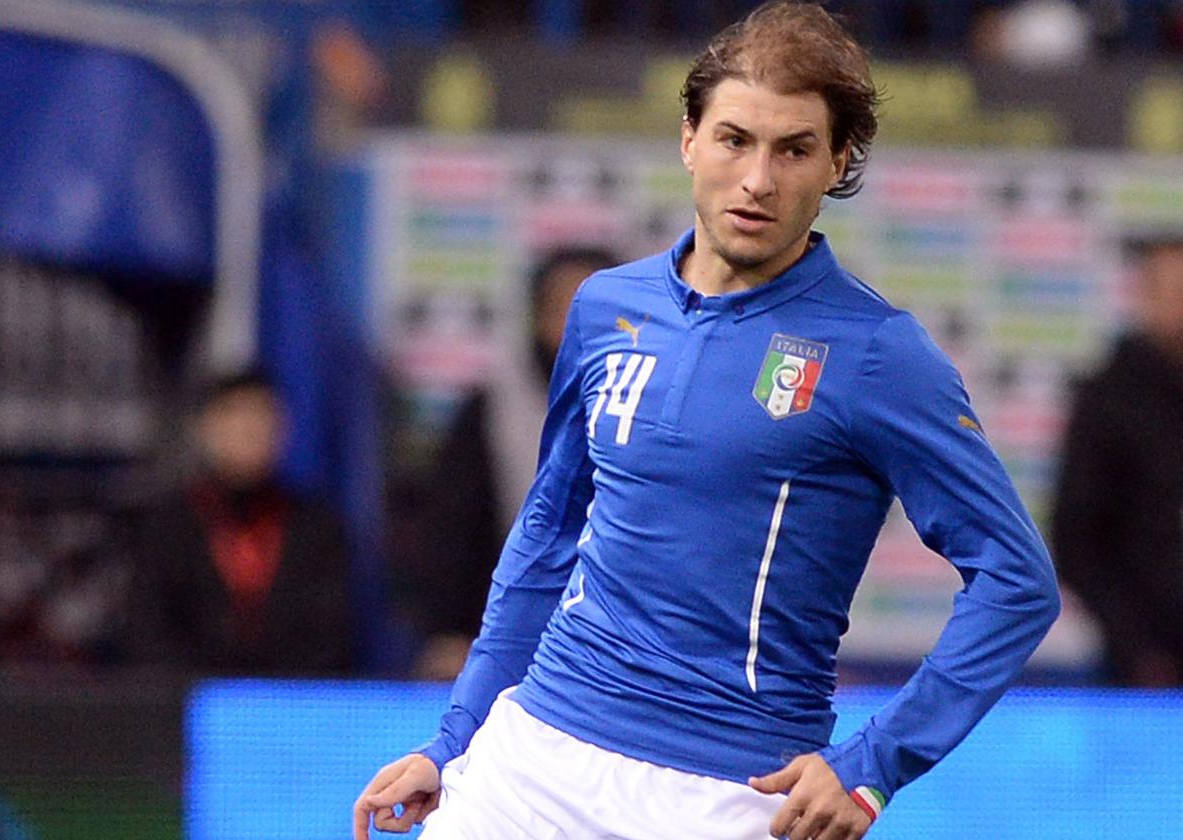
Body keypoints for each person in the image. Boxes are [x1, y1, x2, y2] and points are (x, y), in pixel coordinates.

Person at [354, 3, 1059, 838]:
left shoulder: (878, 354)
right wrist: (456, 737)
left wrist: (875, 763)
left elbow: (1017, 582)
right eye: (735, 139)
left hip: (727, 791)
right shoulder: (605, 307)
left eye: (794, 149)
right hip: (531, 756)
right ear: (689, 137)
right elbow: (549, 532)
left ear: (838, 162)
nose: (758, 179)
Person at [397, 246, 620, 681]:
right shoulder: (491, 408)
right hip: (509, 639)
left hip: (621, 642)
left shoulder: (654, 405)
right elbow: (452, 531)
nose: (580, 327)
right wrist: (448, 631)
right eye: (564, 309)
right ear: (538, 316)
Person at [130, 370, 354, 675]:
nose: (248, 430)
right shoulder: (170, 525)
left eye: (261, 417)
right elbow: (149, 630)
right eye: (233, 416)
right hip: (188, 703)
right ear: (205, 428)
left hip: (291, 706)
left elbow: (330, 637)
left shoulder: (315, 527)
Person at [1052, 236, 1183, 687]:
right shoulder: (1108, 398)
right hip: (1141, 663)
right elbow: (1077, 536)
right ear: (1143, 296)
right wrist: (1136, 645)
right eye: (1166, 291)